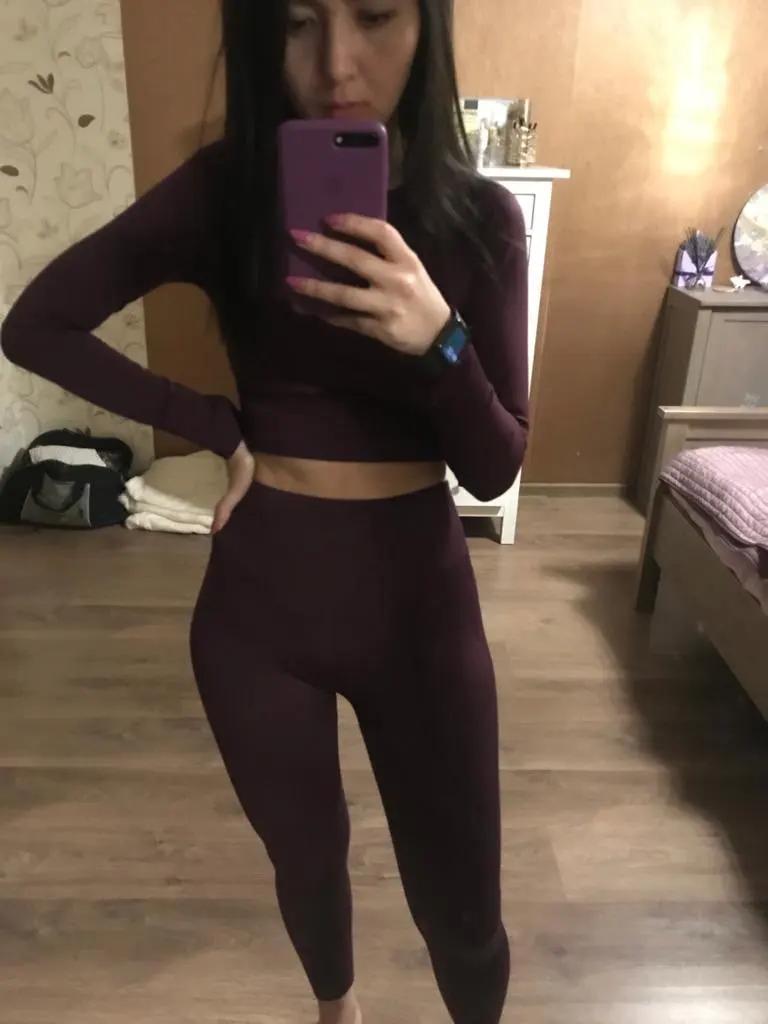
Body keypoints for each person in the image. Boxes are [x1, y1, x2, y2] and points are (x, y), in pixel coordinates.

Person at [0, 0, 529, 1021]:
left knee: (464, 914)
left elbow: (495, 464)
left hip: (420, 612)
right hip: (260, 614)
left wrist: (441, 339)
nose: (336, 63)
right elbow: (36, 323)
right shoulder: (226, 194)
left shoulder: (481, 219)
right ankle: (337, 1012)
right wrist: (211, 423)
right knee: (307, 862)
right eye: (295, 23)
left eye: (375, 14)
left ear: (427, 23)